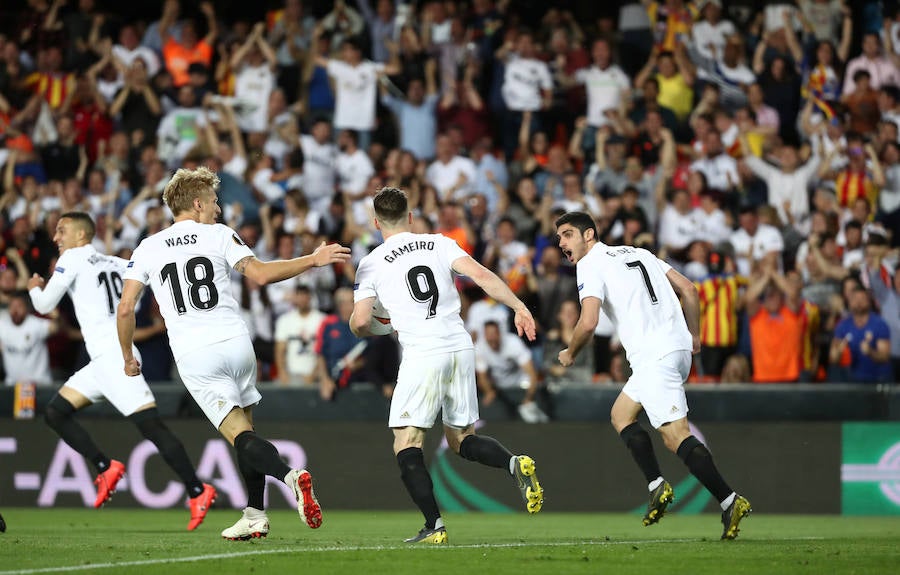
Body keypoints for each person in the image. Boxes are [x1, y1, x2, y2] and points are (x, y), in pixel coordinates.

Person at [117, 167, 350, 539]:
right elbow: (260, 274)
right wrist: (312, 259)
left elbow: (127, 307)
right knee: (249, 433)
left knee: (241, 437)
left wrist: (128, 356)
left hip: (197, 354)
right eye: (213, 202)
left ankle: (290, 476)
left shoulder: (148, 246)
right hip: (239, 345)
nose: (218, 210)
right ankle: (255, 514)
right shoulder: (220, 235)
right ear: (196, 204)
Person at [349, 186, 543, 544]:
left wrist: (377, 324)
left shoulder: (372, 261)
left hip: (423, 352)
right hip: (460, 346)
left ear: (375, 222)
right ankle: (513, 463)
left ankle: (433, 525)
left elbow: (361, 322)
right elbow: (482, 276)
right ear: (410, 217)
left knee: (406, 441)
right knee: (461, 439)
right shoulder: (439, 242)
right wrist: (519, 306)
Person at [555, 211, 751, 540]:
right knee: (621, 414)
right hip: (675, 350)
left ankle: (730, 500)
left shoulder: (590, 264)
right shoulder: (639, 252)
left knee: (676, 436)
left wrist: (570, 352)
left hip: (654, 357)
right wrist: (695, 336)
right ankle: (657, 484)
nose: (561, 242)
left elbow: (588, 322)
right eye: (559, 236)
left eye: (567, 234)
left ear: (589, 235)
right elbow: (689, 289)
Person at [26, 212, 215, 530]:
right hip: (102, 361)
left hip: (115, 358)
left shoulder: (72, 259)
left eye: (62, 231)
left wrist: (34, 287)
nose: (56, 238)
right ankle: (105, 466)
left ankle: (198, 489)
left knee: (152, 428)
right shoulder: (116, 263)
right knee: (56, 412)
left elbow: (44, 306)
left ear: (82, 236)